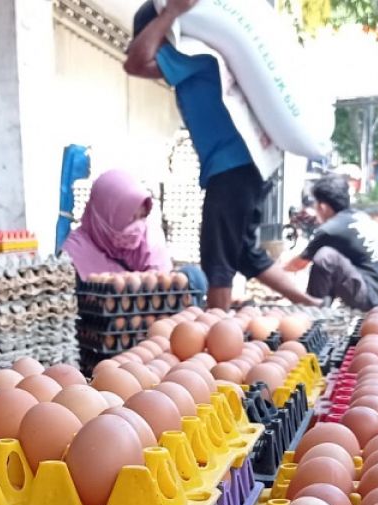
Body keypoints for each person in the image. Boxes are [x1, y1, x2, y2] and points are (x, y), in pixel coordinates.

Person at [126, 0, 318, 310]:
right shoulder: (198, 57)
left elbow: (134, 63)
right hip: (249, 166)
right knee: (244, 253)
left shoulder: (193, 53)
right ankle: (311, 302)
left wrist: (170, 12)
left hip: (233, 167)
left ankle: (217, 338)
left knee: (217, 261)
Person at [61, 169, 208, 295]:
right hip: (100, 324)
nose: (137, 228)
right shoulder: (75, 254)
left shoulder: (148, 238)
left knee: (193, 276)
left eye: (141, 217)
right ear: (105, 217)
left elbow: (161, 283)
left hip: (149, 319)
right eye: (130, 219)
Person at [284, 175, 378, 310]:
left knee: (326, 257)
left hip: (372, 299)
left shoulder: (332, 229)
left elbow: (298, 264)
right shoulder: (360, 217)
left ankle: (313, 312)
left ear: (323, 207)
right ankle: (323, 307)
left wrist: (272, 269)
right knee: (333, 258)